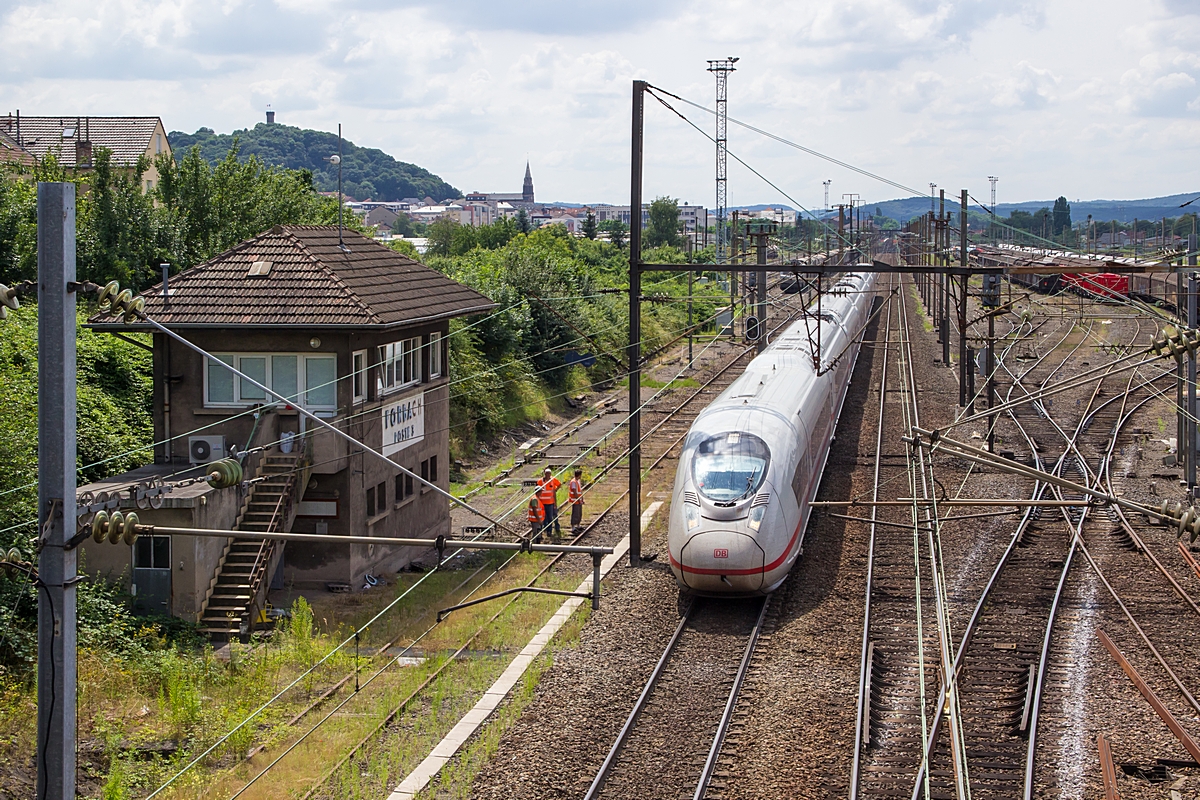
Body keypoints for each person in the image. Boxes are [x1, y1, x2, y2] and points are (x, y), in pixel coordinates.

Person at [536, 467, 562, 541]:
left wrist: (555, 490)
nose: (548, 475)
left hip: (550, 503)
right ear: (544, 474)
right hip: (542, 503)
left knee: (550, 517)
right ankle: (545, 529)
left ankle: (549, 531)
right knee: (544, 518)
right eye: (546, 473)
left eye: (549, 474)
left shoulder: (553, 480)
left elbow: (559, 485)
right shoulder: (540, 481)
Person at [568, 468, 584, 534]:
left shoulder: (578, 481)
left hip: (579, 500)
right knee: (575, 513)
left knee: (579, 513)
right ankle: (573, 527)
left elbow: (579, 491)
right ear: (579, 475)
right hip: (575, 500)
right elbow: (575, 492)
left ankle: (578, 525)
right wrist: (578, 499)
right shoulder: (573, 482)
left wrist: (582, 498)